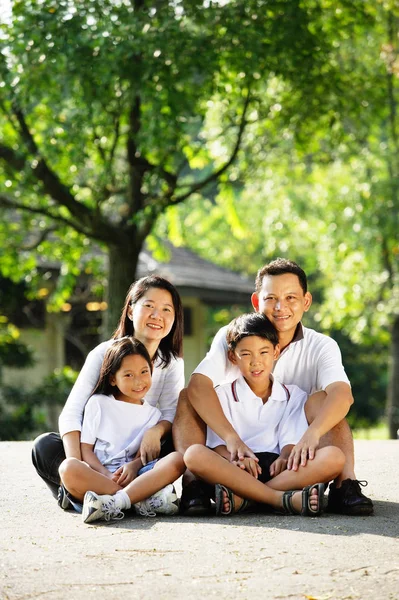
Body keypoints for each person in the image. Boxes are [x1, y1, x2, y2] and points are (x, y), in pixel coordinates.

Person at [174, 258, 373, 516]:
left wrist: (311, 435)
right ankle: (195, 486)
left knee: (324, 402)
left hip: (292, 459)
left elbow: (342, 395)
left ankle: (343, 485)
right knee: (188, 397)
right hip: (236, 456)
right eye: (271, 298)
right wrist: (232, 440)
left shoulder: (321, 345)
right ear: (256, 302)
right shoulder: (234, 336)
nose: (281, 307)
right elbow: (199, 386)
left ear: (306, 301)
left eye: (291, 297)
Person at [32, 275, 184, 508]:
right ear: (131, 311)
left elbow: (171, 413)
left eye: (166, 309)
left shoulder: (170, 363)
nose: (157, 316)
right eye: (149, 306)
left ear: (174, 318)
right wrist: (80, 465)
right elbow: (72, 413)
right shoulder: (104, 354)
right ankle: (134, 498)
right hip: (96, 455)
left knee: (178, 449)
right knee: (45, 447)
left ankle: (96, 497)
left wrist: (155, 431)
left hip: (139, 459)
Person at [184, 312, 345, 516]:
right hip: (236, 470)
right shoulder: (221, 395)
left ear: (276, 352)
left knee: (334, 457)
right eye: (246, 354)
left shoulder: (293, 395)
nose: (256, 362)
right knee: (194, 455)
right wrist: (234, 460)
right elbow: (218, 447)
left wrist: (286, 457)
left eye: (263, 352)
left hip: (279, 470)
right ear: (233, 356)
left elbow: (290, 442)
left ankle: (248, 499)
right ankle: (278, 499)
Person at [58, 337, 185, 523]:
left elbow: (141, 456)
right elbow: (86, 450)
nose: (138, 381)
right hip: (100, 475)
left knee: (178, 459)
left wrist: (133, 467)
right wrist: (107, 475)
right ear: (112, 379)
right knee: (68, 467)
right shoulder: (98, 403)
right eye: (128, 375)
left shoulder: (153, 415)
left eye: (144, 372)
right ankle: (138, 500)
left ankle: (113, 502)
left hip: (136, 476)